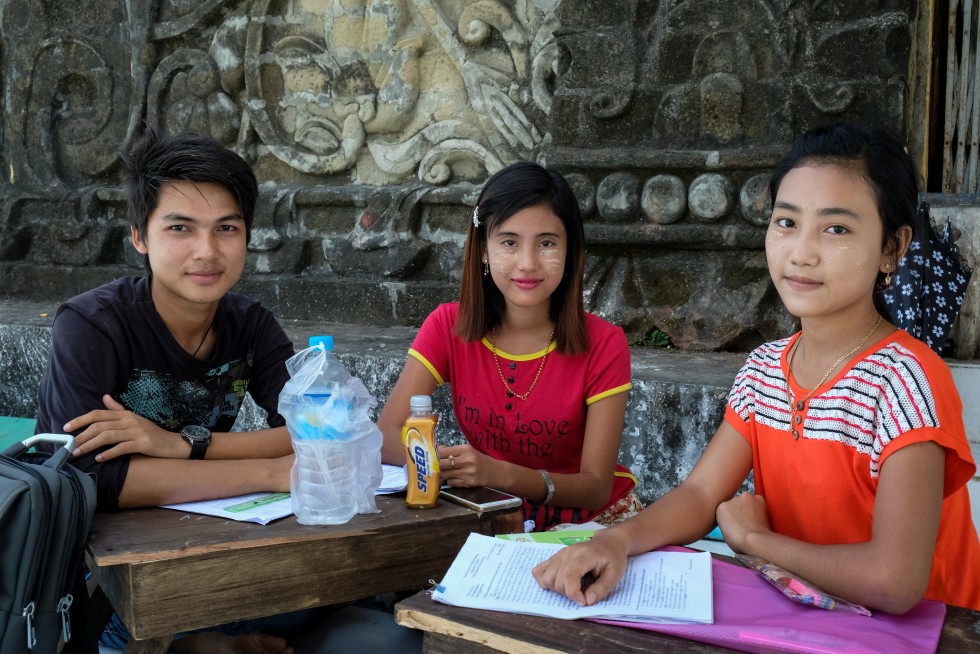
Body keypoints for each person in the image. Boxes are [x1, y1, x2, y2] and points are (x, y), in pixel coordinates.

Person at [532, 123, 980, 613]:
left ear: (892, 249)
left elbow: (894, 582)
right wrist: (615, 542)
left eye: (836, 229)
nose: (802, 253)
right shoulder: (767, 368)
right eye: (787, 222)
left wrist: (754, 539)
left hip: (928, 634)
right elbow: (703, 492)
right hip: (811, 618)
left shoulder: (906, 380)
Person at [34, 128, 306, 654]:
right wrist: (270, 470)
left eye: (226, 227)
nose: (207, 251)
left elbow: (322, 428)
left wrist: (186, 445)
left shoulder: (252, 325)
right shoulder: (92, 325)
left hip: (206, 543)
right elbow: (94, 477)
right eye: (180, 227)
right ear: (140, 236)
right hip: (95, 573)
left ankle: (207, 639)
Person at [377, 161, 642, 533]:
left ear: (570, 252)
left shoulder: (604, 343)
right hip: (493, 516)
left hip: (594, 526)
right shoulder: (447, 326)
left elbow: (596, 486)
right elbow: (387, 436)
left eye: (547, 243)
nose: (528, 263)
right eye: (509, 242)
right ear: (483, 250)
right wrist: (453, 465)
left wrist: (497, 473)